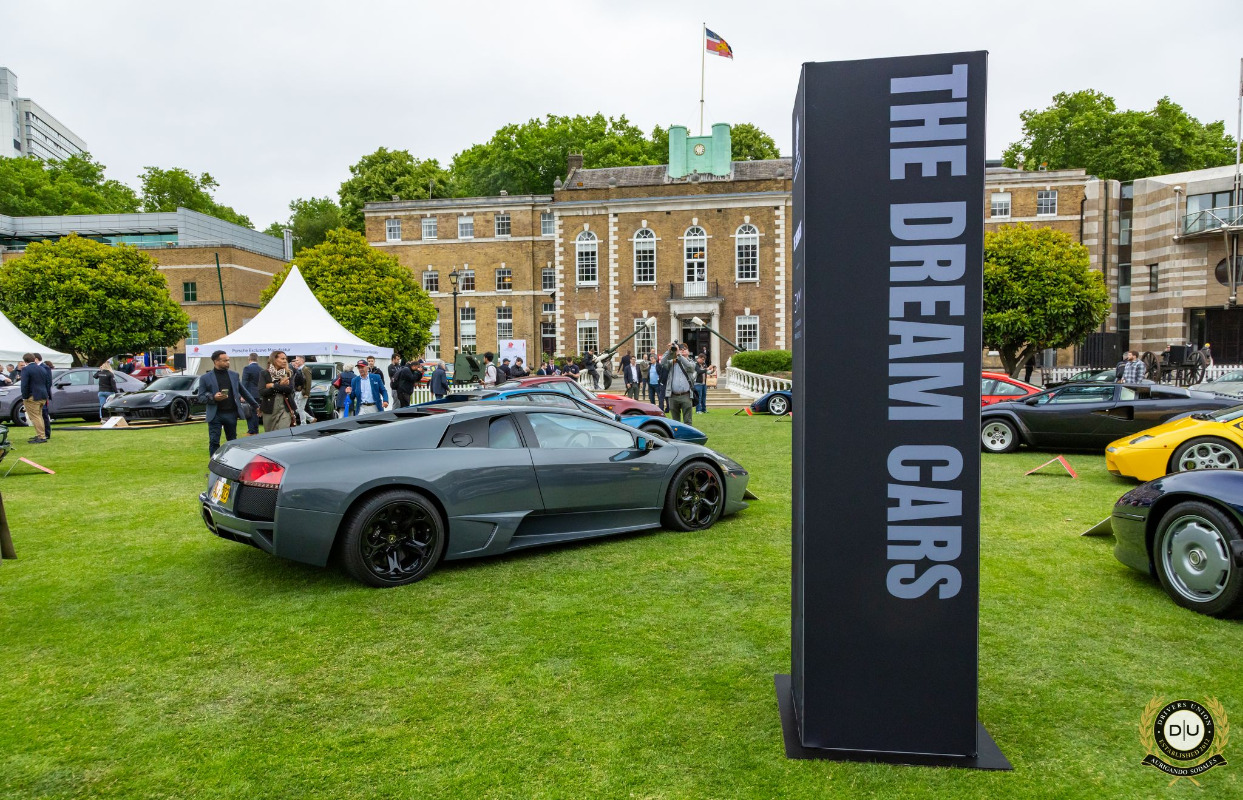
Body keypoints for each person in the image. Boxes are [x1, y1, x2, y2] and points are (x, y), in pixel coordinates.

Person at [195, 350, 257, 457]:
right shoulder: (205, 378)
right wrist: (214, 398)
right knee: (214, 441)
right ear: (216, 361)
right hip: (215, 414)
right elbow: (201, 397)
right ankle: (214, 464)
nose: (228, 362)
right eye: (225, 361)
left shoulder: (234, 375)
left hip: (231, 413)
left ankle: (232, 462)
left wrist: (256, 406)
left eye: (228, 360)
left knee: (232, 441)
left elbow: (244, 392)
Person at [662, 341, 697, 425]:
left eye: (685, 349)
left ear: (688, 351)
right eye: (681, 349)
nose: (682, 350)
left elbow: (690, 367)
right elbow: (662, 363)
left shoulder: (692, 362)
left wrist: (679, 355)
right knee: (675, 422)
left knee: (687, 421)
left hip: (686, 395)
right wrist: (669, 351)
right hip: (673, 396)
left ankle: (687, 434)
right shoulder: (673, 362)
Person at [260, 350, 297, 430]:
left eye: (285, 359)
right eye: (282, 359)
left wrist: (273, 385)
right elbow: (262, 392)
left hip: (285, 409)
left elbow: (289, 389)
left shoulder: (289, 373)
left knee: (284, 433)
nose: (285, 361)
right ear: (274, 359)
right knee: (270, 434)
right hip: (269, 409)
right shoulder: (264, 373)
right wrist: (280, 385)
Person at [20, 353, 50, 444]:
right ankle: (42, 434)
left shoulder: (26, 369)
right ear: (34, 359)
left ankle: (41, 436)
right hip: (43, 395)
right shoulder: (42, 368)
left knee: (35, 417)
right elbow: (47, 382)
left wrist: (24, 397)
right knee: (39, 416)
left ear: (25, 361)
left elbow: (24, 385)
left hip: (32, 396)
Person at [239, 353, 264, 435]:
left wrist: (242, 395)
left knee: (249, 412)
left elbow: (244, 382)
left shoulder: (247, 368)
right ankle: (255, 430)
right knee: (256, 412)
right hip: (258, 393)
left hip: (249, 393)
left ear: (249, 359)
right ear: (257, 359)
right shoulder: (261, 369)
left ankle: (251, 430)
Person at [33, 353, 52, 439]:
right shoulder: (38, 367)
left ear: (36, 359)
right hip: (38, 394)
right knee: (39, 414)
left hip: (43, 394)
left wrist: (46, 394)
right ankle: (41, 433)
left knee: (44, 414)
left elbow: (48, 382)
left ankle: (46, 433)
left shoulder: (45, 367)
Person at [292, 355, 315, 425]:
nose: (296, 361)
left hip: (302, 392)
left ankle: (303, 424)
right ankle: (311, 419)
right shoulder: (299, 369)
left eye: (297, 360)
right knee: (297, 408)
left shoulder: (306, 369)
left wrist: (306, 393)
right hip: (297, 392)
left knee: (300, 409)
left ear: (302, 361)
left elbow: (308, 382)